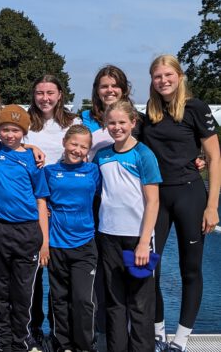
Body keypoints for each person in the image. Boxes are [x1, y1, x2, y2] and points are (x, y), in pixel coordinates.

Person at [142, 54, 220, 352]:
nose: (163, 81)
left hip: (190, 194)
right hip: (156, 198)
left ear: (179, 75)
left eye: (167, 75)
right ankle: (158, 333)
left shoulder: (195, 108)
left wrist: (212, 205)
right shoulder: (149, 111)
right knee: (148, 268)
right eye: (157, 76)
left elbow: (214, 157)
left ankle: (181, 339)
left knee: (190, 269)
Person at [93, 101, 162, 352]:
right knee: (114, 303)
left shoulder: (144, 155)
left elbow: (153, 201)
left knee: (141, 305)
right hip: (108, 237)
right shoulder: (102, 155)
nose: (117, 127)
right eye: (112, 123)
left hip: (137, 239)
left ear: (133, 123)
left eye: (122, 122)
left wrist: (145, 242)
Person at [0, 104, 50, 352]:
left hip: (27, 231)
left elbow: (41, 200)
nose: (10, 135)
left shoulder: (33, 159)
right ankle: (2, 341)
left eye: (15, 130)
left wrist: (44, 241)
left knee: (23, 292)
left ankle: (21, 340)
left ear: (24, 131)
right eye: (5, 129)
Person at [24, 74, 81, 346]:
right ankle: (33, 328)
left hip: (62, 210)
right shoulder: (26, 123)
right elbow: (11, 146)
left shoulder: (73, 123)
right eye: (39, 92)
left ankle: (61, 334)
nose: (44, 98)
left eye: (50, 92)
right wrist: (29, 145)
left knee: (59, 278)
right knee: (32, 275)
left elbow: (83, 157)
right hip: (32, 205)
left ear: (60, 94)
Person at [44, 125, 100, 352]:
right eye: (74, 144)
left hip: (85, 244)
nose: (77, 149)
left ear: (88, 150)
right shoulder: (49, 172)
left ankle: (85, 346)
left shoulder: (93, 172)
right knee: (59, 298)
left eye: (83, 146)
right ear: (65, 143)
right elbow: (41, 203)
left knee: (83, 300)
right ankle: (63, 344)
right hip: (56, 244)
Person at [81, 65, 139, 161]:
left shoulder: (138, 121)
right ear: (97, 91)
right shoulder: (84, 118)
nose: (109, 90)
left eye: (115, 86)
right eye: (104, 86)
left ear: (123, 90)